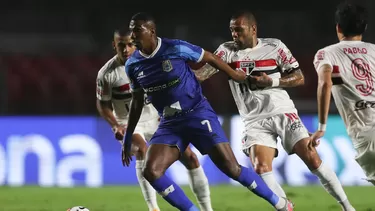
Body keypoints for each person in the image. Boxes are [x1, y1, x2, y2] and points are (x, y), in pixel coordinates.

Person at [123, 12, 294, 211]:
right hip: (170, 123)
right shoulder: (132, 64)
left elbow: (210, 57)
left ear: (151, 31)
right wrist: (128, 138)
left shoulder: (175, 47)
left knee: (231, 168)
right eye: (131, 29)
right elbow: (136, 102)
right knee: (151, 171)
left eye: (137, 29)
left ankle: (280, 203)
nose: (132, 35)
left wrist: (234, 74)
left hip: (197, 113)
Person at [194, 10, 355, 211]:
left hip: (282, 111)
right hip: (254, 120)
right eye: (231, 30)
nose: (234, 34)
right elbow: (201, 75)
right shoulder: (226, 51)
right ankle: (285, 207)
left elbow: (299, 77)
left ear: (253, 29)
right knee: (261, 167)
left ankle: (347, 207)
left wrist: (272, 81)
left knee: (312, 158)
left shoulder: (274, 46)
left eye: (238, 30)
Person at [96, 29, 213, 211]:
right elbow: (103, 105)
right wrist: (116, 125)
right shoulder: (107, 74)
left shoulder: (149, 64)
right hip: (130, 123)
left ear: (136, 43)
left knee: (191, 158)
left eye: (130, 44)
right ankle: (153, 208)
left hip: (157, 119)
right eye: (121, 45)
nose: (126, 49)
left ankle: (207, 209)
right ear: (114, 46)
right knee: (143, 150)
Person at [312, 2, 375, 186]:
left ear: (338, 27)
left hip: (367, 135)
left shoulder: (326, 54)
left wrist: (322, 127)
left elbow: (325, 83)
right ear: (364, 27)